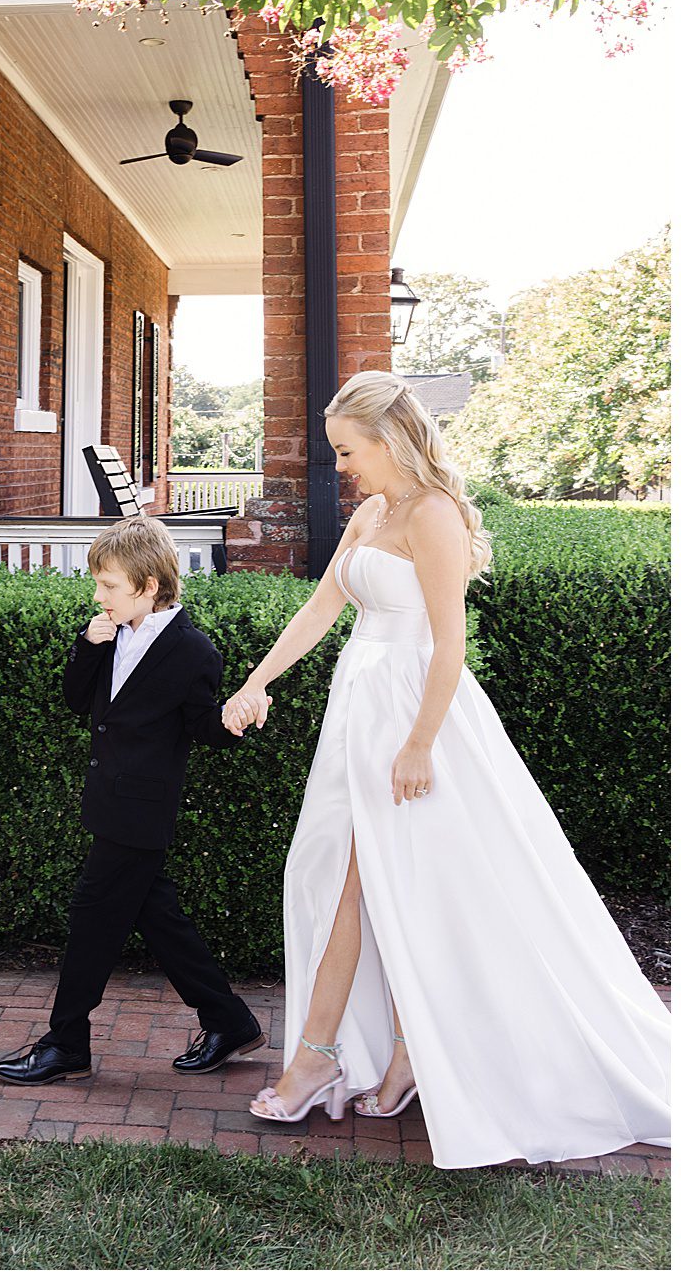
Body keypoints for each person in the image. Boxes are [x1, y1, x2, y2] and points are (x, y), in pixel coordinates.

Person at [224, 370, 670, 1166]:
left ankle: (319, 1057)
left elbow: (449, 643)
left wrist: (422, 741)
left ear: (389, 438)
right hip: (356, 710)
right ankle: (396, 1056)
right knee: (356, 876)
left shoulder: (434, 516)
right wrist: (258, 680)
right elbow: (322, 608)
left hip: (413, 717)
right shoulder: (371, 511)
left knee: (364, 881)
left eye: (348, 449)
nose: (343, 466)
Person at [0, 517, 265, 1088]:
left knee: (92, 919)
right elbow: (76, 701)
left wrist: (236, 719)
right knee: (156, 916)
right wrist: (87, 645)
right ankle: (230, 1020)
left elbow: (200, 726)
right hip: (109, 799)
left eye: (109, 586)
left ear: (147, 586)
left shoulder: (192, 651)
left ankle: (67, 1042)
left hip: (141, 809)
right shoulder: (109, 631)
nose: (99, 596)